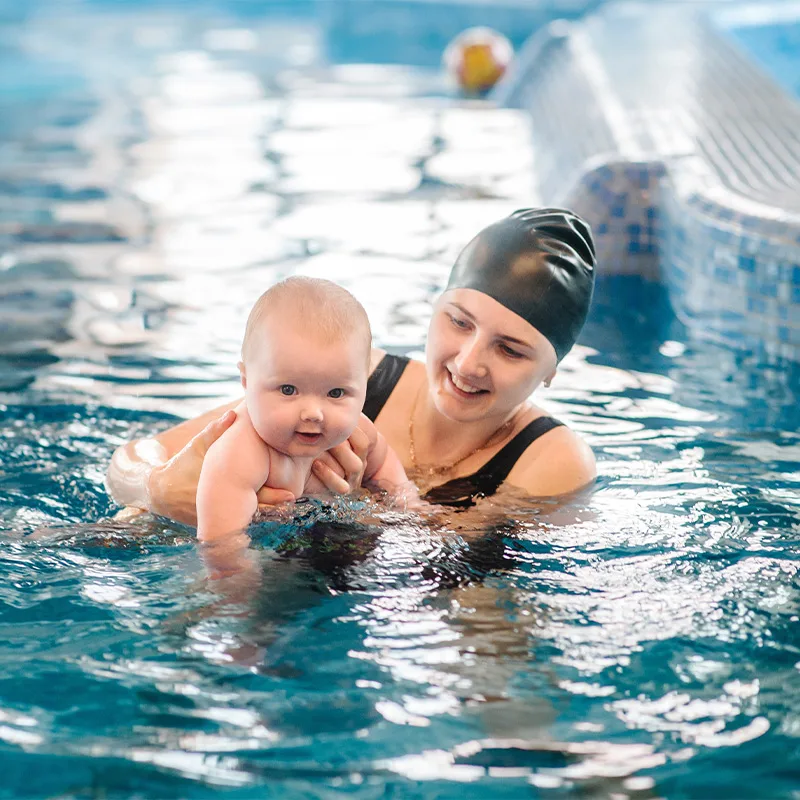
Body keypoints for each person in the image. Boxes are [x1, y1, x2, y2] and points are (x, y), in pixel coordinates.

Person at [106, 207, 597, 519]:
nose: (469, 364)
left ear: (553, 370)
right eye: (460, 322)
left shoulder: (551, 459)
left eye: (510, 349)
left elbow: (450, 583)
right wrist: (158, 488)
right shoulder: (344, 379)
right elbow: (133, 457)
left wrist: (360, 508)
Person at [194, 276, 408, 543]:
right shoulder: (241, 453)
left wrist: (407, 504)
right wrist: (242, 580)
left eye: (335, 393)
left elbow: (384, 464)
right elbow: (222, 546)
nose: (313, 413)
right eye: (288, 390)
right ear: (246, 381)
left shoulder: (356, 434)